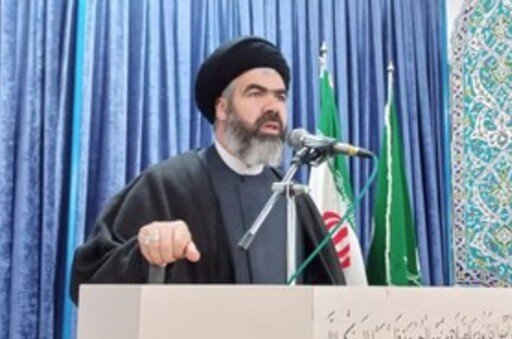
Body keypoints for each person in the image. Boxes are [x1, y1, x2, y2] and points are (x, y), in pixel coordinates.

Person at [70, 36, 346, 304]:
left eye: (280, 96)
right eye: (256, 93)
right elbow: (90, 281)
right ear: (222, 108)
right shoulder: (167, 185)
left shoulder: (293, 199)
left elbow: (330, 299)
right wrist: (144, 252)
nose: (272, 107)